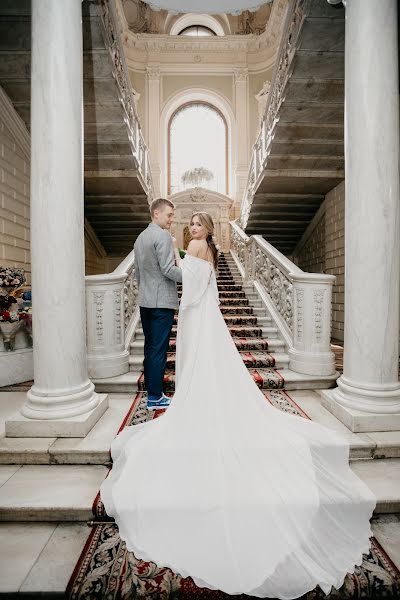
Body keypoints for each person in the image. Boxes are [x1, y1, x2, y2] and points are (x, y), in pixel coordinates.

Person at [100, 211, 376, 599]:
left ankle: (197, 407)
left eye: (197, 224)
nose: (192, 229)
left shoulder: (196, 247)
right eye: (191, 224)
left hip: (197, 315)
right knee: (208, 365)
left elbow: (193, 290)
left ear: (207, 230)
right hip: (207, 317)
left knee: (198, 365)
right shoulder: (209, 249)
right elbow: (202, 282)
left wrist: (180, 267)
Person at [133, 197, 182, 411]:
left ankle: (153, 393)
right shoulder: (162, 235)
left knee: (150, 348)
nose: (172, 219)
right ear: (156, 214)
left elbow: (138, 273)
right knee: (158, 350)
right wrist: (192, 276)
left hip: (146, 301)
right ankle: (155, 397)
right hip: (161, 302)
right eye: (169, 215)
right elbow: (168, 270)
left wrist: (145, 292)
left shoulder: (140, 237)